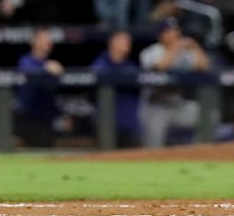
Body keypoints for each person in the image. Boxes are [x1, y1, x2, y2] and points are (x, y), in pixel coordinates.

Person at [138, 17, 210, 148]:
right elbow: (161, 66)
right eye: (169, 31)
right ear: (161, 35)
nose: (174, 34)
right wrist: (176, 47)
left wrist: (194, 46)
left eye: (176, 30)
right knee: (153, 149)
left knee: (207, 115)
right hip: (155, 107)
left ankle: (199, 153)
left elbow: (204, 66)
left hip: (177, 105)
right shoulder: (150, 52)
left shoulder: (184, 52)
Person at [14, 28, 65, 148]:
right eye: (44, 39)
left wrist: (60, 115)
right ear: (34, 42)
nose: (48, 42)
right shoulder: (26, 61)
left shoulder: (50, 63)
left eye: (49, 40)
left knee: (47, 151)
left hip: (46, 117)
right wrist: (46, 69)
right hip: (30, 117)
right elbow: (28, 72)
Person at [90, 29, 141, 147]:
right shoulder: (101, 62)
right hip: (107, 124)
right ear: (113, 42)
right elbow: (95, 75)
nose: (128, 44)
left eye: (129, 41)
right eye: (124, 41)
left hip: (129, 124)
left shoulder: (131, 66)